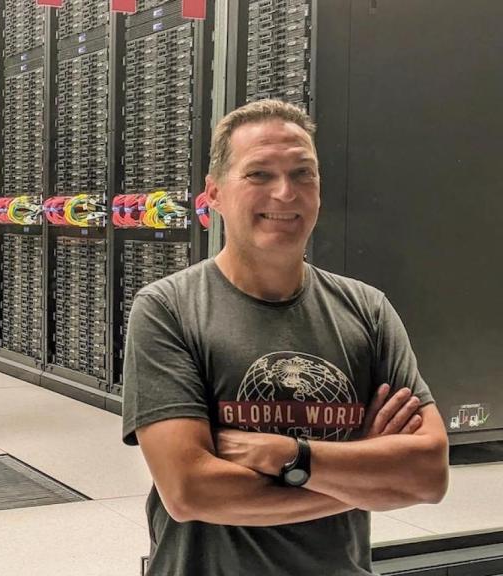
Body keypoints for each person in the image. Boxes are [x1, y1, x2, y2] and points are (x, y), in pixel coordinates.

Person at [122, 99, 449, 576]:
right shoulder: (169, 309)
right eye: (259, 175)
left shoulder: (368, 310)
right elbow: (190, 491)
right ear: (213, 193)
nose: (284, 193)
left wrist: (285, 455)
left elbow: (428, 475)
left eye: (303, 174)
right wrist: (360, 472)